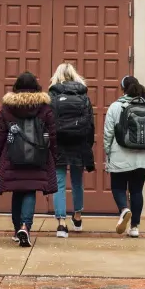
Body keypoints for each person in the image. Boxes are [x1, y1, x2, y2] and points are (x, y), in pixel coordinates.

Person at [0, 71, 57, 247]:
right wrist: (55, 156)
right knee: (29, 190)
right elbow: (52, 134)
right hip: (38, 156)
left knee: (17, 191)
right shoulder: (44, 108)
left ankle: (16, 229)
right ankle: (25, 226)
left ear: (16, 88)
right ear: (36, 87)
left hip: (13, 157)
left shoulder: (8, 108)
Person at [103, 75, 145, 238]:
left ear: (123, 89)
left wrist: (108, 153)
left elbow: (108, 133)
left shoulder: (115, 107)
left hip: (121, 156)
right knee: (136, 191)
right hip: (143, 159)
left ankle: (124, 209)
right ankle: (135, 227)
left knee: (118, 187)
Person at [47, 63, 95, 238]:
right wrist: (88, 145)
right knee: (77, 181)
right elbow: (90, 124)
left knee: (59, 182)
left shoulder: (52, 95)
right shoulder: (83, 96)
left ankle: (61, 223)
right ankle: (78, 216)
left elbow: (48, 122)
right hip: (78, 143)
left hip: (59, 143)